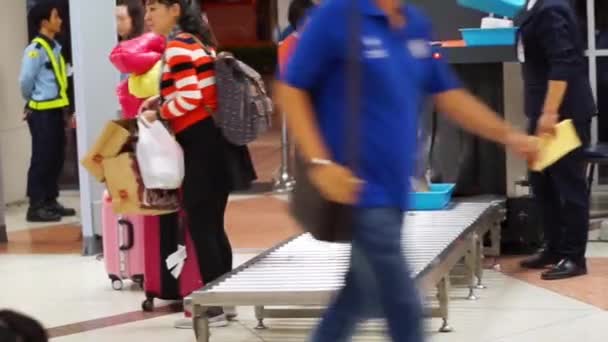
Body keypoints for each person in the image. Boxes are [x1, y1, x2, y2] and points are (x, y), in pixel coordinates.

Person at [276, 0, 538, 341]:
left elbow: (449, 95)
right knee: (403, 302)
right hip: (357, 187)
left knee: (357, 296)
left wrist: (510, 136)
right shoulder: (339, 15)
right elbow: (291, 88)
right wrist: (320, 163)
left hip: (396, 189)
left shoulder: (414, 23)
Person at [142, 0, 233, 326]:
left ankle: (215, 309)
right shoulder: (198, 42)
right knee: (213, 222)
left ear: (175, 9)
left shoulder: (179, 46)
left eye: (154, 7)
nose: (148, 15)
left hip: (200, 143)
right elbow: (195, 90)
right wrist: (163, 99)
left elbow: (191, 97)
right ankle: (227, 298)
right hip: (217, 142)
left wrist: (159, 111)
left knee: (202, 223)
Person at [516, 0, 596, 280]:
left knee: (568, 187)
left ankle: (574, 257)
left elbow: (564, 63)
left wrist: (550, 112)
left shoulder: (550, 7)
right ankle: (554, 247)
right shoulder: (532, 6)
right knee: (543, 183)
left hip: (563, 114)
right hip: (544, 112)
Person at [19, 2, 76, 223]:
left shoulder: (54, 48)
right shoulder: (36, 50)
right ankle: (36, 205)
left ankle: (50, 200)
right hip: (41, 112)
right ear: (44, 22)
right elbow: (25, 81)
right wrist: (31, 101)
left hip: (54, 111)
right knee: (42, 158)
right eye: (55, 16)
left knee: (56, 156)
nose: (60, 20)